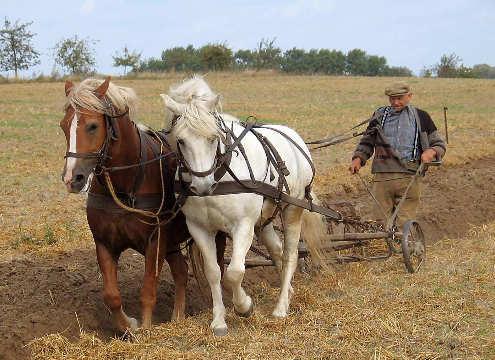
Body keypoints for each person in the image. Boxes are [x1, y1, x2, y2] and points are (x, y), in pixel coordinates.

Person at [349, 81, 446, 227]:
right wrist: (358, 158)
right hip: (383, 177)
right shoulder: (379, 116)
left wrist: (431, 152)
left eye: (399, 98)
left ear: (409, 96)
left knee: (404, 223)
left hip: (410, 177)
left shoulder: (421, 117)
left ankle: (404, 248)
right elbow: (367, 141)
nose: (395, 102)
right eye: (392, 98)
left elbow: (439, 144)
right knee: (379, 222)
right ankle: (382, 249)